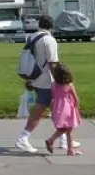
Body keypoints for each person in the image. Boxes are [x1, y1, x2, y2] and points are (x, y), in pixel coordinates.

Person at [14, 15, 77, 152]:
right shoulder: (49, 40)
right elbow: (52, 63)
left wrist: (29, 79)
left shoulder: (32, 37)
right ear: (51, 26)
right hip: (47, 81)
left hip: (35, 78)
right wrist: (60, 82)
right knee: (42, 109)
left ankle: (63, 138)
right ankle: (23, 137)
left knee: (57, 109)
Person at [44, 63, 83, 156]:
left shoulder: (53, 85)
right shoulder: (69, 85)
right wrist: (77, 107)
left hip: (57, 107)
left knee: (62, 129)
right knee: (69, 129)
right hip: (68, 108)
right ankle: (69, 149)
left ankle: (52, 140)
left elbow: (53, 96)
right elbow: (76, 98)